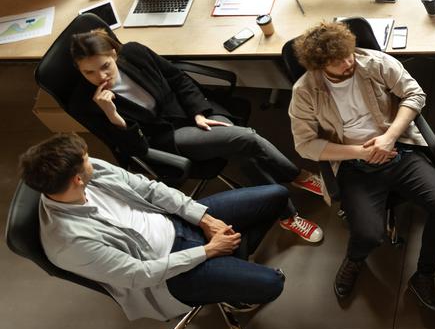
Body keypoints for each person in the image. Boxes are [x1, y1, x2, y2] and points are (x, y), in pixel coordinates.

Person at [66, 29, 323, 244]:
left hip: (191, 113)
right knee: (247, 139)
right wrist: (113, 116)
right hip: (166, 138)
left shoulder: (134, 52)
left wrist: (198, 112)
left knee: (241, 151)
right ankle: (296, 177)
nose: (100, 77)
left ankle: (286, 215)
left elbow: (178, 78)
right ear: (78, 70)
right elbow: (132, 148)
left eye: (105, 66)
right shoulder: (83, 103)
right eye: (89, 73)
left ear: (114, 54)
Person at [20, 133, 288, 321]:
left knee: (277, 195)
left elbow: (150, 189)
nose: (93, 159)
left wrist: (204, 220)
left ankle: (231, 265)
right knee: (273, 284)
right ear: (77, 179)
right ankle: (230, 273)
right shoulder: (69, 242)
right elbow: (140, 274)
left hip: (176, 222)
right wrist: (209, 251)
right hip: (169, 274)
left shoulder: (93, 172)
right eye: (87, 158)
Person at [288, 21, 435, 306]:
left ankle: (424, 275)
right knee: (368, 235)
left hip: (397, 149)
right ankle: (355, 259)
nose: (348, 62)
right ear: (320, 65)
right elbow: (305, 144)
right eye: (338, 61)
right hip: (354, 164)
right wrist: (360, 152)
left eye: (348, 54)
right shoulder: (305, 91)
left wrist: (389, 138)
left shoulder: (375, 63)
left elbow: (415, 94)